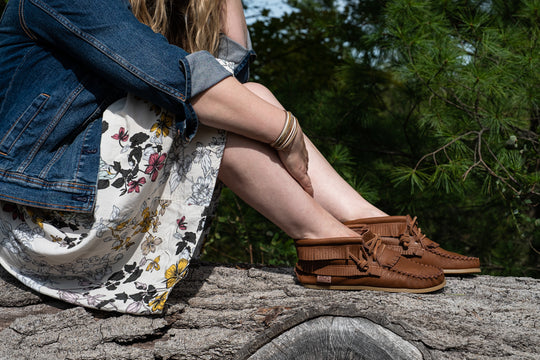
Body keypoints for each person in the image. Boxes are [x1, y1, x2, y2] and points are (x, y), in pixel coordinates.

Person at [0, 0, 479, 314]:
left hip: (100, 204)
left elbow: (234, 75)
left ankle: (373, 226)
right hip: (47, 215)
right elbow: (183, 83)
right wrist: (287, 131)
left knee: (250, 96)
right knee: (216, 111)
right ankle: (326, 241)